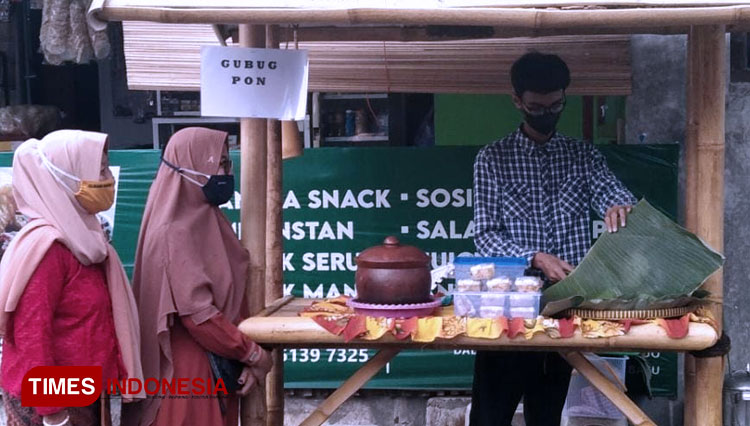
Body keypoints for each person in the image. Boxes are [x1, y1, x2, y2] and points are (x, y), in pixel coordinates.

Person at [469, 52, 637, 426]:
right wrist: (535, 257)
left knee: (546, 416)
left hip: (564, 309)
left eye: (555, 105)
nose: (546, 113)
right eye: (536, 106)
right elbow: (485, 236)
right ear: (518, 101)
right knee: (490, 416)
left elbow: (613, 194)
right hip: (507, 312)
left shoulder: (582, 155)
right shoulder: (493, 159)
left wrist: (619, 207)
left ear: (564, 98)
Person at [123, 127, 272, 426]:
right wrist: (252, 354)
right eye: (220, 164)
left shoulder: (207, 218)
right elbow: (199, 316)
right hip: (188, 377)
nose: (227, 173)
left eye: (228, 164)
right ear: (192, 166)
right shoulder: (173, 230)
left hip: (216, 363)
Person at [0, 130, 144, 426]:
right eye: (99, 170)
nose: (107, 179)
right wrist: (53, 412)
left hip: (82, 389)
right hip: (54, 402)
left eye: (106, 167)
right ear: (67, 177)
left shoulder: (84, 237)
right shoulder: (49, 248)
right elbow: (30, 336)